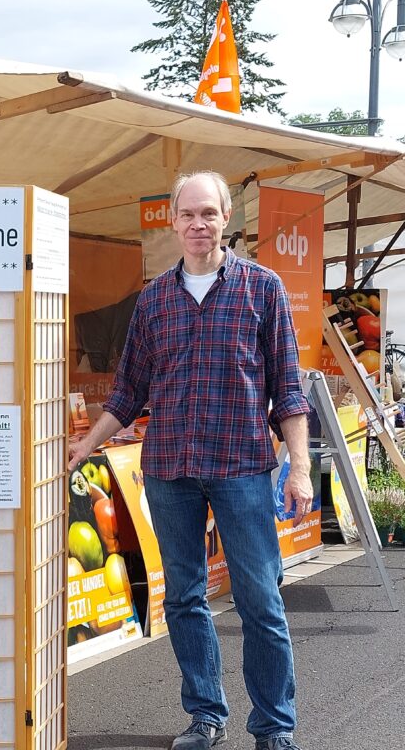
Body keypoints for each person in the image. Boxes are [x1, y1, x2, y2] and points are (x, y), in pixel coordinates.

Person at [68, 171, 313, 750]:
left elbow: (289, 388)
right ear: (173, 221)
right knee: (183, 597)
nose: (198, 224)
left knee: (260, 600)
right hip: (170, 471)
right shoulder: (153, 301)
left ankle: (274, 727)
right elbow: (129, 389)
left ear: (226, 217)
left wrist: (298, 466)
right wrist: (88, 442)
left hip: (243, 468)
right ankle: (206, 716)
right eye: (188, 214)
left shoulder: (263, 288)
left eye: (209, 213)